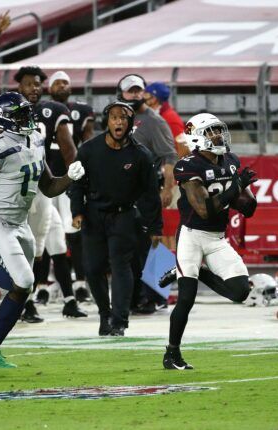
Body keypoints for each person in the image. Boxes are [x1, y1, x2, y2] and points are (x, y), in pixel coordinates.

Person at [0, 92, 85, 368]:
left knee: (23, 288)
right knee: (23, 281)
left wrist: (69, 178)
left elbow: (48, 186)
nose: (27, 117)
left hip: (21, 222)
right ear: (4, 120)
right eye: (20, 114)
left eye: (26, 112)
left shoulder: (35, 139)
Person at [164, 113, 256, 370]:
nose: (217, 135)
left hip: (216, 238)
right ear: (196, 137)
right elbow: (205, 210)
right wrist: (233, 187)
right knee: (186, 299)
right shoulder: (186, 165)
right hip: (192, 236)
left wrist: (246, 193)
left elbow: (247, 207)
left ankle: (199, 273)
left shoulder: (230, 160)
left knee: (240, 292)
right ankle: (172, 353)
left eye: (218, 130)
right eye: (210, 131)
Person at [70, 101, 163, 336]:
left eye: (123, 118)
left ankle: (119, 320)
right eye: (114, 117)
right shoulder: (89, 150)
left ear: (130, 122)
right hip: (92, 216)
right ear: (107, 122)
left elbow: (151, 194)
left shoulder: (142, 155)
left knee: (121, 266)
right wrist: (76, 212)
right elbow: (77, 184)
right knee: (92, 269)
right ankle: (104, 315)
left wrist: (155, 228)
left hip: (124, 217)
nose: (118, 121)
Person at [14, 66, 86, 320]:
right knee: (35, 245)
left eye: (37, 84)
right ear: (18, 86)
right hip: (21, 188)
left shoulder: (52, 110)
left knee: (56, 240)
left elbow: (69, 150)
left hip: (45, 183)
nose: (33, 88)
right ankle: (25, 303)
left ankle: (68, 300)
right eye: (28, 84)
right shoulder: (8, 109)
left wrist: (77, 179)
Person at [117, 74, 177, 314]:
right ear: (120, 93)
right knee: (127, 244)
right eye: (129, 91)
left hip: (146, 189)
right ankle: (134, 296)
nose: (134, 94)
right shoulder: (116, 116)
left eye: (138, 90)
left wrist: (167, 187)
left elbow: (170, 155)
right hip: (122, 191)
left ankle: (152, 295)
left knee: (148, 243)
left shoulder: (154, 121)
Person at [49, 70, 94, 300]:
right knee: (46, 232)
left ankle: (79, 281)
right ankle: (48, 282)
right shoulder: (40, 110)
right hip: (45, 180)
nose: (62, 86)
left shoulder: (80, 111)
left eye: (65, 82)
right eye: (57, 82)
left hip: (69, 178)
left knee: (73, 230)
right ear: (49, 87)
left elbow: (88, 143)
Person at [144, 81, 187, 157]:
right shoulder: (156, 115)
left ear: (154, 99)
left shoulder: (170, 117)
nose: (143, 98)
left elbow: (180, 147)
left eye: (147, 95)